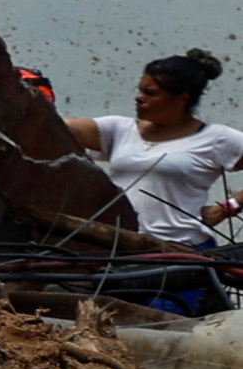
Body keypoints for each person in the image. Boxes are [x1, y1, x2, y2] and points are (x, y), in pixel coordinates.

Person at [76, 49, 243, 242]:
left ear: (182, 98)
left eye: (150, 93)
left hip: (182, 253)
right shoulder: (118, 129)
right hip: (119, 249)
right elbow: (57, 126)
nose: (139, 97)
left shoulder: (215, 138)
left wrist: (227, 208)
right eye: (140, 90)